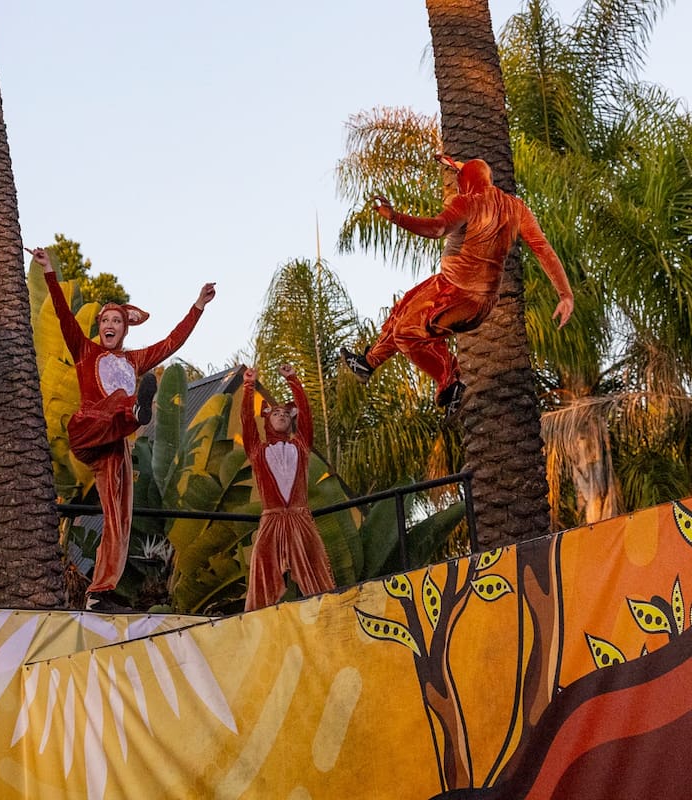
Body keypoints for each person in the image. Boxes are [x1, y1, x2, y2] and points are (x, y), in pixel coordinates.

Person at [30, 246, 216, 610]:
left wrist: (198, 306)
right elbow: (65, 316)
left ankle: (99, 593)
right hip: (89, 431)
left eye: (116, 322)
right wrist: (50, 272)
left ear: (124, 329)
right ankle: (134, 410)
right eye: (105, 322)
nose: (110, 326)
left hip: (116, 444)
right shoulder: (86, 351)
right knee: (117, 401)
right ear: (100, 328)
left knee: (119, 517)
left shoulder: (134, 360)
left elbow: (170, 343)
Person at [340, 155, 575, 418]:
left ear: (466, 185)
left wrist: (395, 216)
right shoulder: (516, 207)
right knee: (404, 306)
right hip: (477, 299)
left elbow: (438, 229)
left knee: (406, 333)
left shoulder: (468, 202)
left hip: (457, 295)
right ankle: (368, 363)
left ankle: (450, 384)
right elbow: (543, 248)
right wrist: (565, 294)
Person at [240, 365, 334, 611]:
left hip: (300, 517)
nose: (281, 415)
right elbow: (247, 421)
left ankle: (329, 611)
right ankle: (255, 619)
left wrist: (293, 379)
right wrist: (248, 386)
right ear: (267, 420)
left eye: (285, 413)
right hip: (272, 520)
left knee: (317, 569)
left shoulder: (300, 446)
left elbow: (306, 415)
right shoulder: (258, 450)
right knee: (261, 568)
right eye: (275, 413)